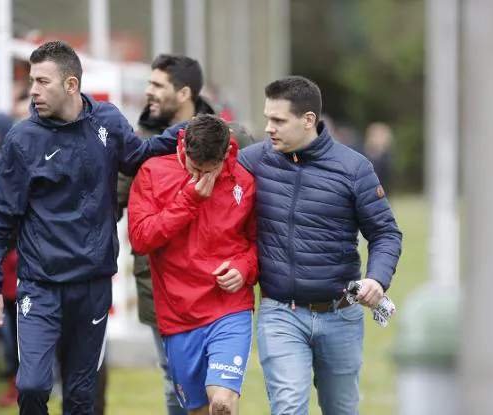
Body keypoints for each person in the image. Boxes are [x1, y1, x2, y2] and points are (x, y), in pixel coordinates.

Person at [0, 40, 179, 415]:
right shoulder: (22, 139)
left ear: (71, 85)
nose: (33, 90)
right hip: (40, 284)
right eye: (31, 81)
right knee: (33, 385)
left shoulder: (109, 121)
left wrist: (182, 136)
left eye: (42, 81)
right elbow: (0, 216)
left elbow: (137, 158)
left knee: (81, 395)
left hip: (92, 284)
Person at [237, 76, 403, 415]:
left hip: (341, 315)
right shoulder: (252, 161)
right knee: (288, 406)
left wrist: (377, 280)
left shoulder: (354, 168)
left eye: (279, 120)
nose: (269, 128)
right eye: (267, 118)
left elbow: (386, 232)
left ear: (308, 120)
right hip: (280, 313)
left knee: (341, 409)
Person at [116, 53, 256, 415]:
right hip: (164, 294)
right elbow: (121, 212)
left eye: (157, 85)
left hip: (226, 302)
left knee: (221, 400)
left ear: (184, 92)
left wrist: (245, 266)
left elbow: (257, 227)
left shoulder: (237, 141)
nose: (149, 92)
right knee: (176, 391)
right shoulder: (141, 148)